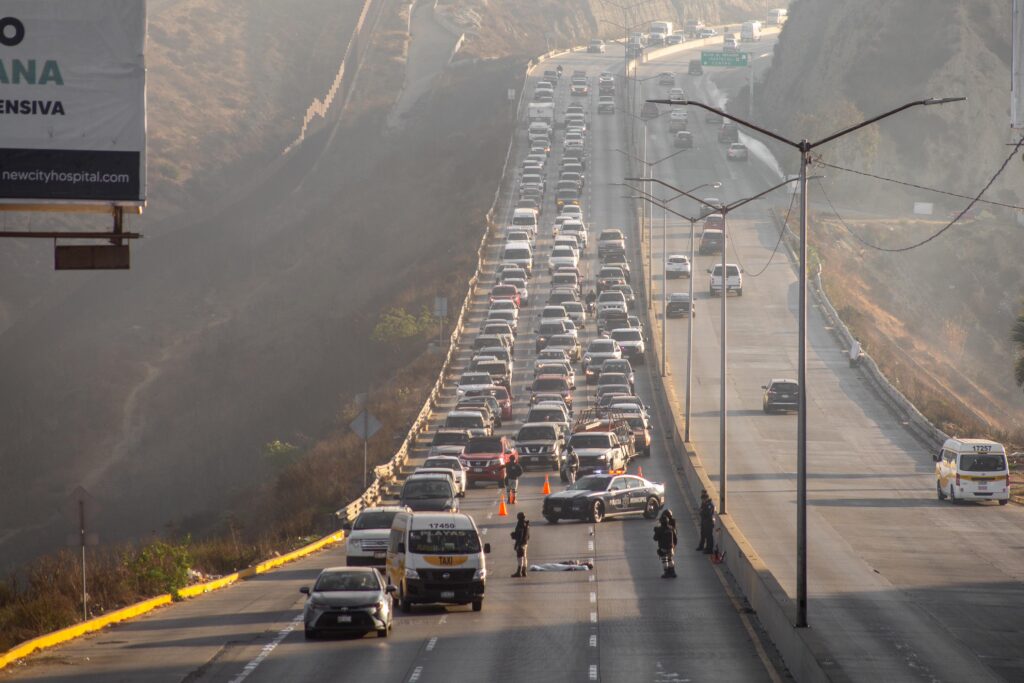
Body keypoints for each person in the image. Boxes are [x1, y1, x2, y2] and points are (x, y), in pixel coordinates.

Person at [653, 509, 677, 578]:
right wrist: (674, 545)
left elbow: (655, 538)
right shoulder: (671, 528)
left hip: (663, 548)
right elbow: (675, 538)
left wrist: (656, 531)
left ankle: (666, 573)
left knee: (664, 560)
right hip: (670, 547)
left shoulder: (659, 530)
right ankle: (673, 572)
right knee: (670, 559)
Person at [510, 512, 530, 577]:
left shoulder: (520, 524)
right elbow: (528, 535)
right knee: (524, 557)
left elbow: (520, 534)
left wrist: (517, 543)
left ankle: (519, 571)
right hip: (525, 542)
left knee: (520, 557)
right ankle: (524, 571)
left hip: (521, 543)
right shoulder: (526, 524)